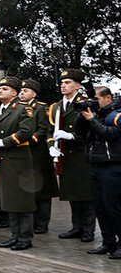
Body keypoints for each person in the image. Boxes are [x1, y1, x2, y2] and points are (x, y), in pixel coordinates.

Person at [0, 76, 36, 250]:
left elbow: (25, 132)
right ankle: (14, 234)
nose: (0, 91)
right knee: (9, 199)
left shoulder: (24, 109)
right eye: (0, 89)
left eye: (5, 89)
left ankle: (24, 237)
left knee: (21, 199)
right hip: (3, 160)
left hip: (18, 160)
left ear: (15, 93)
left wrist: (2, 142)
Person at [48, 69, 96, 243]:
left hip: (81, 155)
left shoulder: (85, 103)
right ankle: (76, 227)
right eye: (62, 83)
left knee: (86, 195)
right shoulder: (57, 106)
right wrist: (50, 146)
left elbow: (92, 129)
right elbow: (49, 130)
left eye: (67, 83)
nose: (63, 85)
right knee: (72, 194)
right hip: (65, 156)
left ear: (77, 86)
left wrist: (72, 136)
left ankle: (88, 229)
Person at [75, 86, 121, 259]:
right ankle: (108, 242)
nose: (93, 102)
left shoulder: (116, 115)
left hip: (113, 166)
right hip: (95, 165)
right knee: (100, 208)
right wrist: (83, 115)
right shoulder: (96, 114)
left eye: (96, 99)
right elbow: (80, 133)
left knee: (114, 207)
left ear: (108, 98)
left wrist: (93, 120)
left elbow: (111, 134)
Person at [19, 79, 58, 234]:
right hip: (25, 154)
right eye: (21, 91)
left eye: (25, 91)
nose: (22, 93)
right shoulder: (19, 108)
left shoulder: (41, 108)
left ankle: (42, 222)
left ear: (34, 93)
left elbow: (43, 129)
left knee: (42, 190)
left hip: (38, 153)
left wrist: (27, 140)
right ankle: (32, 220)